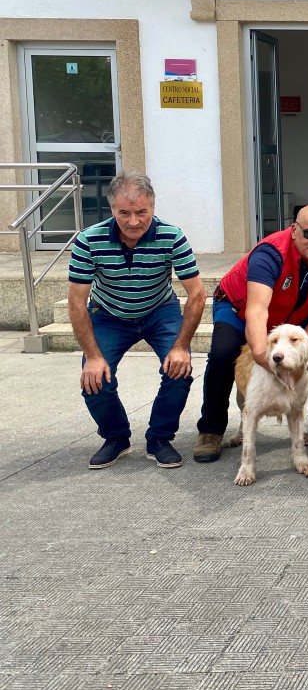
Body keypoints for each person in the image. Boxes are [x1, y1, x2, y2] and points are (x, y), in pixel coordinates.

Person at [67, 173, 206, 469]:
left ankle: (159, 438)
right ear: (112, 210)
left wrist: (181, 346)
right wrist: (92, 356)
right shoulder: (88, 240)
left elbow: (197, 294)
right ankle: (116, 438)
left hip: (159, 310)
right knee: (95, 379)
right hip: (108, 314)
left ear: (153, 208)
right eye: (124, 213)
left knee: (179, 370)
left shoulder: (172, 236)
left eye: (142, 212)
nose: (133, 222)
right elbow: (76, 302)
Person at [194, 205, 308, 462]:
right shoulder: (270, 253)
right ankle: (211, 430)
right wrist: (260, 354)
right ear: (294, 230)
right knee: (223, 353)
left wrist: (301, 345)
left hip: (295, 315)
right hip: (239, 308)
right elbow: (257, 311)